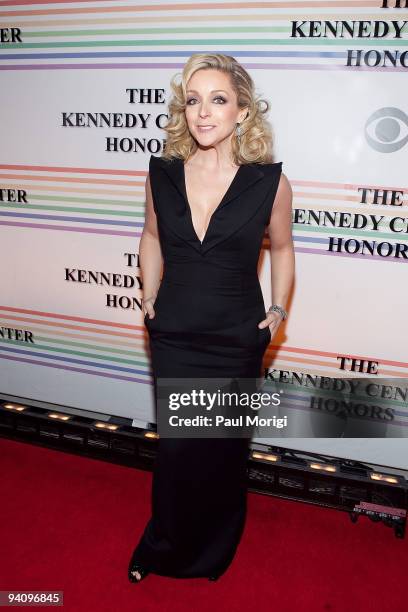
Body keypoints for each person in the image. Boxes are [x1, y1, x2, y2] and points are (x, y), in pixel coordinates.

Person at [128, 53, 295, 583]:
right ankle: (162, 546)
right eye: (193, 100)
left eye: (218, 99)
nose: (203, 113)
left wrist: (279, 308)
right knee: (177, 453)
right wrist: (148, 296)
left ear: (242, 110)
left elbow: (285, 250)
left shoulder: (268, 183)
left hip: (234, 336)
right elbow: (152, 237)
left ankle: (212, 553)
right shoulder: (163, 174)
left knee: (221, 453)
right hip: (175, 332)